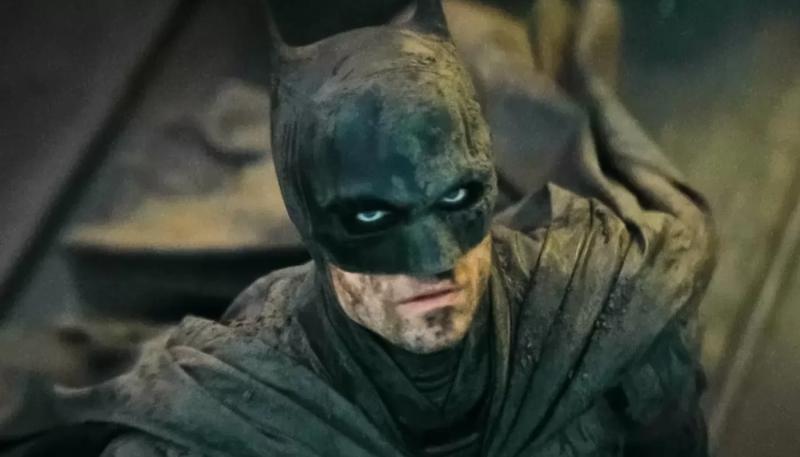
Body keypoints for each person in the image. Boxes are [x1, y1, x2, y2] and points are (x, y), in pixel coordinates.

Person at [0, 0, 715, 455]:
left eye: (457, 196)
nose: (434, 259)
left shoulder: (612, 321)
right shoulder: (221, 421)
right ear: (310, 221)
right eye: (373, 216)